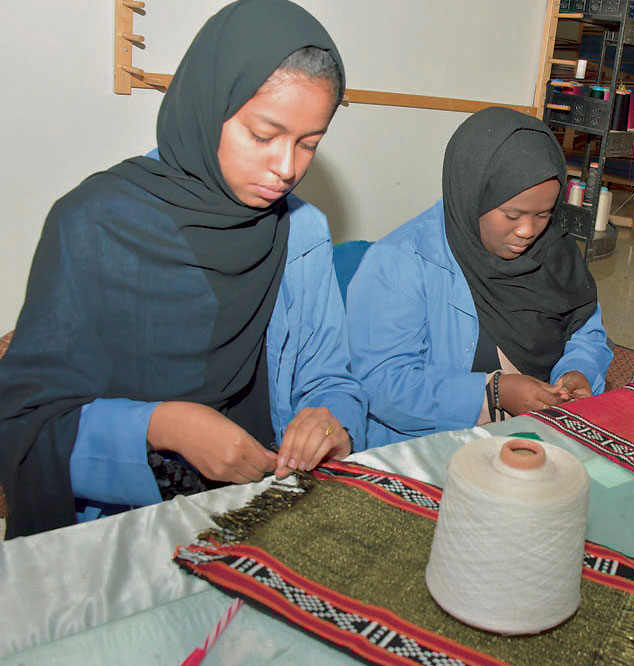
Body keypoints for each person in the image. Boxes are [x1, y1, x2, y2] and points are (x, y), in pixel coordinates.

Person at [0, 0, 366, 538]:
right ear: (207, 106)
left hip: (264, 506)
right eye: (263, 136)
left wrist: (331, 419)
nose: (287, 167)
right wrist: (162, 426)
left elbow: (331, 379)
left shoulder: (302, 232)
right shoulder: (95, 223)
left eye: (309, 143)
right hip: (123, 527)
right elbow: (23, 427)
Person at [346, 107, 612, 446]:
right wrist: (491, 393)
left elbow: (586, 331)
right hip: (430, 445)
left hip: (535, 435)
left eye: (544, 214)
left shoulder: (555, 253)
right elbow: (382, 383)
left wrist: (577, 371)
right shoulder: (401, 263)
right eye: (512, 215)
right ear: (472, 195)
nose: (528, 230)